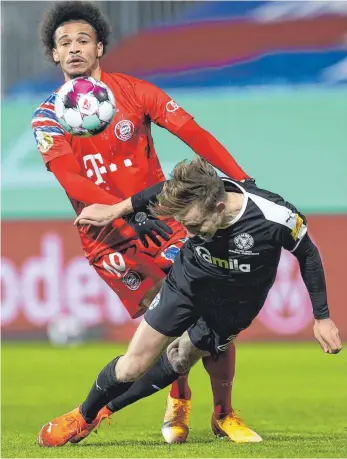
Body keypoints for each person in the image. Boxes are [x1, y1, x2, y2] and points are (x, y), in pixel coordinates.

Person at [32, 1, 257, 445]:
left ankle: (223, 412)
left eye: (82, 40)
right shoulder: (47, 118)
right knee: (164, 321)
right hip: (108, 238)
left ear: (100, 46)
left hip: (163, 222)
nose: (74, 48)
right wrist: (126, 211)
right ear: (54, 56)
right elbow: (71, 179)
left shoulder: (135, 92)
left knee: (212, 311)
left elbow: (192, 132)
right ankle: (179, 397)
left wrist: (242, 178)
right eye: (64, 43)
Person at [38, 157, 342, 447]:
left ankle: (217, 416)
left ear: (220, 208)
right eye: (185, 225)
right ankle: (84, 415)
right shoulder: (198, 191)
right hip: (186, 283)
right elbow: (161, 190)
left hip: (236, 302)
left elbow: (308, 255)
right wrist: (115, 210)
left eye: (195, 227)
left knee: (181, 358)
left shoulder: (275, 216)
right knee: (133, 365)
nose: (189, 233)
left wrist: (322, 317)